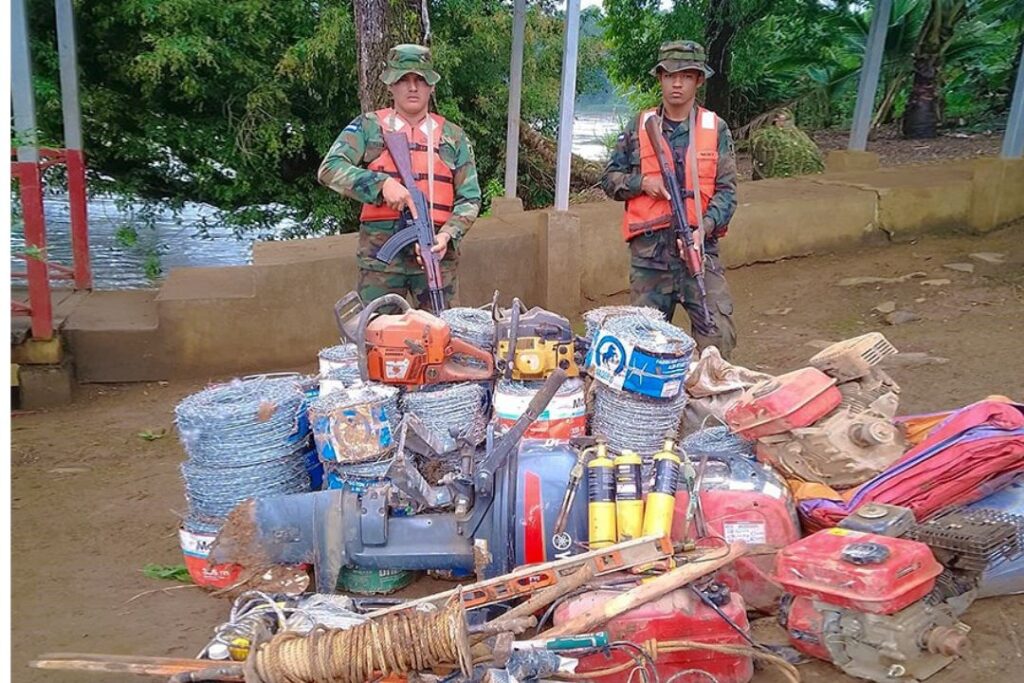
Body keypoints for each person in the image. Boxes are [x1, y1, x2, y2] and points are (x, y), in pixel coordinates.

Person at [601, 40, 738, 359]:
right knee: (643, 350)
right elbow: (609, 179)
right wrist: (642, 182)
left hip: (698, 252)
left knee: (718, 340)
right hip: (650, 260)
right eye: (669, 75)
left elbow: (728, 193)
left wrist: (703, 227)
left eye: (687, 75)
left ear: (699, 80)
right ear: (659, 78)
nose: (677, 83)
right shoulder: (639, 126)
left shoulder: (715, 129)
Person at [318, 44, 481, 311]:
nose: (413, 87)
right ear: (390, 85)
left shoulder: (454, 136)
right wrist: (382, 184)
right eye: (404, 80)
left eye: (420, 80)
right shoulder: (368, 127)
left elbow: (470, 198)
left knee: (441, 335)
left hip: (436, 253)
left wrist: (448, 235)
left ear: (431, 86)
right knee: (376, 334)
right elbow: (329, 169)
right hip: (380, 256)